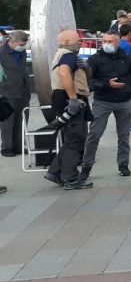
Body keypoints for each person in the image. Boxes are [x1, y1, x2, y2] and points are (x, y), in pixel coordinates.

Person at [80, 31, 131, 181]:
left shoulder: (127, 58)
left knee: (124, 135)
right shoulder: (95, 59)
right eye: (104, 41)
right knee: (94, 134)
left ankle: (123, 164)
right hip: (103, 101)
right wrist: (107, 84)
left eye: (110, 41)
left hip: (124, 101)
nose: (106, 44)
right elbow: (89, 81)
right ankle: (86, 166)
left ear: (118, 42)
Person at [44, 30, 92, 190]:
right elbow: (64, 72)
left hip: (62, 99)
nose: (80, 42)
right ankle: (70, 178)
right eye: (77, 40)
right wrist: (73, 99)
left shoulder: (62, 54)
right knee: (75, 141)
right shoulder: (68, 55)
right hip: (69, 100)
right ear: (66, 41)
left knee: (71, 140)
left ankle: (55, 172)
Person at [0, 30, 31, 157]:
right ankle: (7, 147)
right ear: (11, 42)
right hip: (7, 91)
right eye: (21, 44)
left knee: (22, 118)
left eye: (24, 44)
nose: (22, 47)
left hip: (23, 90)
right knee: (8, 120)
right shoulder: (1, 52)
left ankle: (18, 146)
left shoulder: (21, 52)